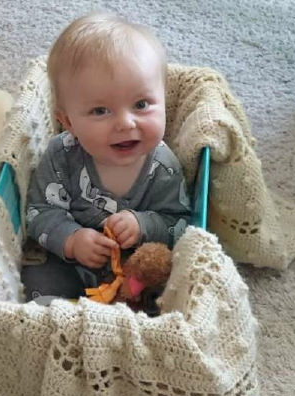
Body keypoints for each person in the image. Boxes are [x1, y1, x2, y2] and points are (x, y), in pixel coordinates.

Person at [21, 12, 191, 305]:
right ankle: (67, 319)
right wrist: (72, 240)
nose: (125, 123)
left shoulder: (163, 165)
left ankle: (127, 322)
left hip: (133, 273)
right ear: (69, 123)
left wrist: (143, 225)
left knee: (169, 292)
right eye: (101, 111)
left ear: (164, 103)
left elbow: (180, 223)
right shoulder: (62, 154)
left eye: (141, 104)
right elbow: (39, 211)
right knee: (36, 282)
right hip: (71, 265)